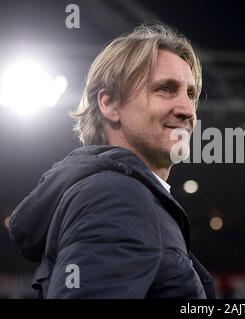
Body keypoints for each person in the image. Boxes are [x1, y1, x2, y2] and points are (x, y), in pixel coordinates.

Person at [8, 23, 215, 299]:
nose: (188, 110)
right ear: (110, 104)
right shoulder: (118, 197)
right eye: (165, 89)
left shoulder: (126, 194)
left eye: (190, 94)